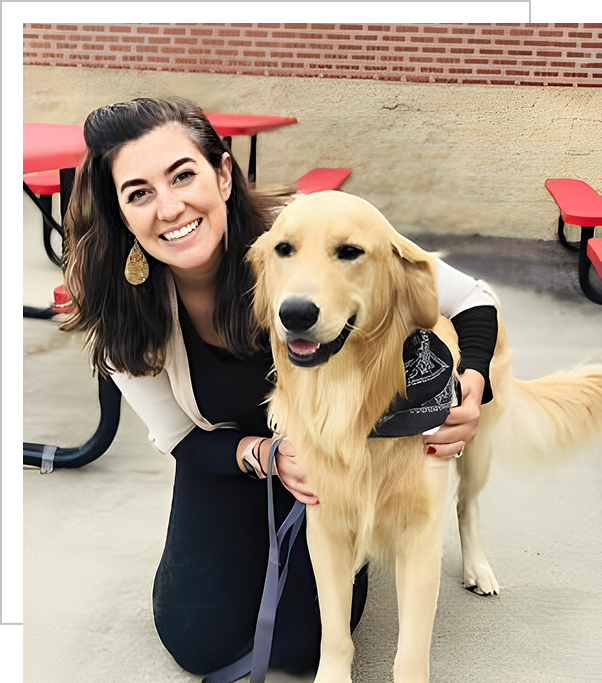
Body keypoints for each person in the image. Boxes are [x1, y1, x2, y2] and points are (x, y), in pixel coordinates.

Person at [61, 96, 498, 677]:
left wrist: (472, 383)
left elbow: (469, 298)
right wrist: (267, 455)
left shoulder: (298, 231)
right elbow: (180, 437)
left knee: (300, 649)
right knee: (201, 642)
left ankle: (351, 545)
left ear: (221, 174)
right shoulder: (118, 305)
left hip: (332, 456)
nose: (169, 208)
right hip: (229, 456)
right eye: (138, 193)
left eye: (183, 175)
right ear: (120, 212)